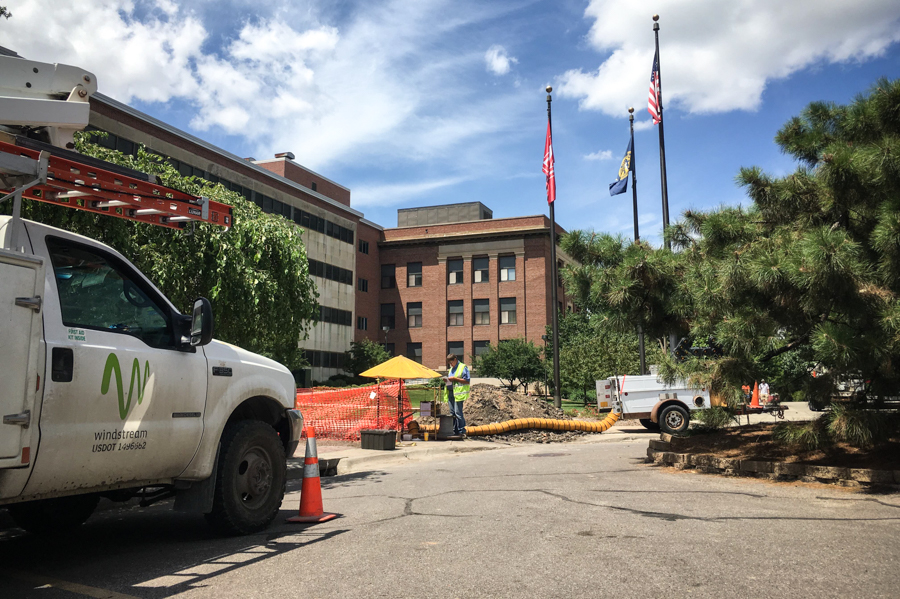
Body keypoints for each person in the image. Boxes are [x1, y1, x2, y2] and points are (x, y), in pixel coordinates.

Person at [443, 353, 470, 438]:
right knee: (452, 413)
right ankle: (455, 430)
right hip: (451, 392)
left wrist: (454, 379)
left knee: (458, 413)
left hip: (458, 394)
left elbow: (467, 380)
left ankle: (462, 431)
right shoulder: (451, 369)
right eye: (449, 363)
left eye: (451, 362)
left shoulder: (463, 367)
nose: (451, 364)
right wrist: (447, 380)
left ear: (455, 359)